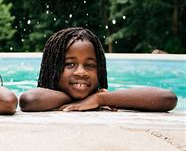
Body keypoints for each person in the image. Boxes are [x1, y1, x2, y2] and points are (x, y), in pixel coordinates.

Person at [19, 27, 177, 112]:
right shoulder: (45, 97)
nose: (81, 72)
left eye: (90, 65)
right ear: (53, 69)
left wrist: (99, 99)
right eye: (70, 64)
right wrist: (78, 100)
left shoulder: (103, 98)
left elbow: (167, 98)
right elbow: (29, 100)